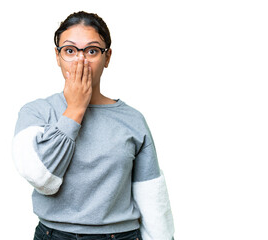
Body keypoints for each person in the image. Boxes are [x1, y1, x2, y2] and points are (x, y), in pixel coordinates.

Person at [12, 11, 175, 240]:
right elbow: (42, 179)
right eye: (70, 50)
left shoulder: (133, 119)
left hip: (120, 236)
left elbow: (153, 201)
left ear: (107, 58)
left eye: (91, 50)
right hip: (54, 235)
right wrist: (75, 109)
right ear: (57, 57)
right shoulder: (36, 112)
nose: (81, 60)